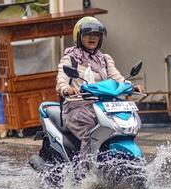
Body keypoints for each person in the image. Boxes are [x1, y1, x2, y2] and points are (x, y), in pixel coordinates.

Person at [56, 16, 143, 168]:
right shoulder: (70, 59)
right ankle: (84, 174)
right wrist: (67, 89)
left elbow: (117, 78)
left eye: (96, 34)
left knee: (121, 128)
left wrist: (131, 86)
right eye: (87, 34)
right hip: (77, 106)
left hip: (103, 106)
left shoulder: (105, 59)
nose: (92, 37)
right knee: (91, 133)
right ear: (79, 37)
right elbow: (61, 80)